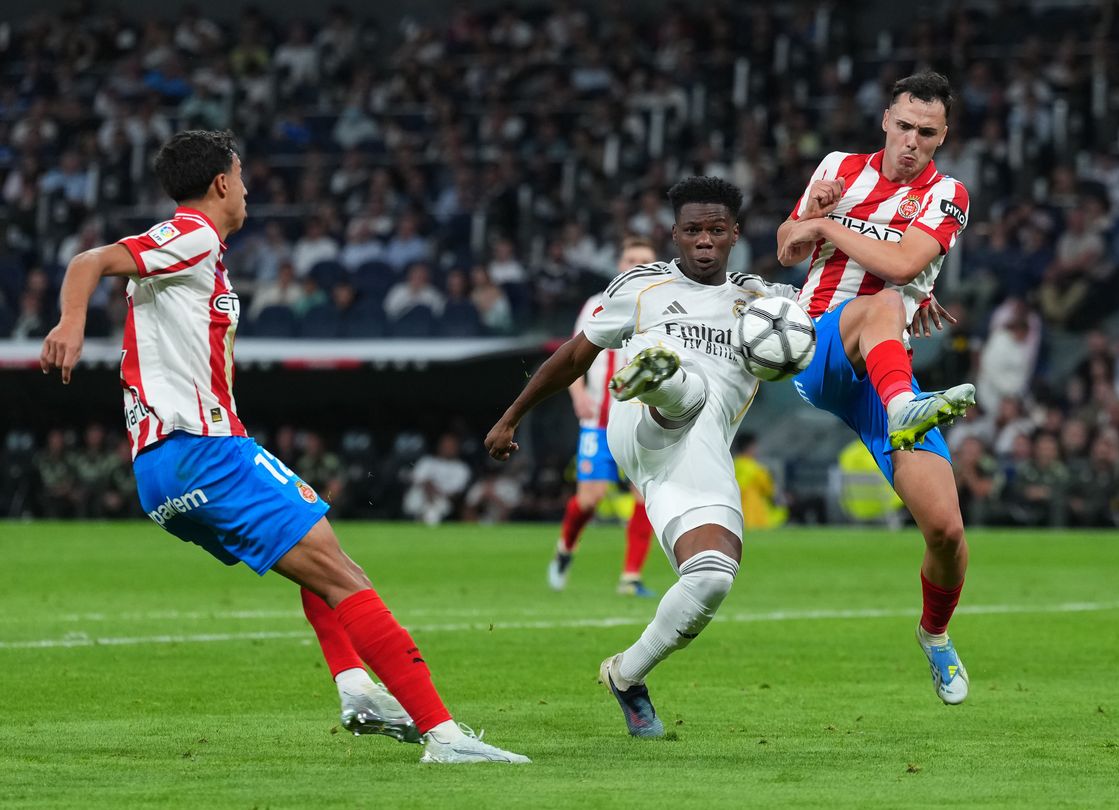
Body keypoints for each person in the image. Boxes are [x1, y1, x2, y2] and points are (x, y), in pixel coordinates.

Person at [39, 130, 527, 765]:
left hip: (163, 469)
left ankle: (357, 689)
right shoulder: (194, 235)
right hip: (202, 450)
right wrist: (71, 322)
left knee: (322, 554)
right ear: (221, 183)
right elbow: (87, 261)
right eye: (240, 176)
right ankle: (442, 734)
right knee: (344, 575)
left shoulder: (190, 254)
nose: (246, 189)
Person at [487, 176, 797, 738]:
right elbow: (574, 355)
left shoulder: (763, 302)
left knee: (712, 580)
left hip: (696, 458)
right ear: (674, 234)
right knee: (690, 387)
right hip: (635, 428)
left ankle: (627, 676)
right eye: (693, 230)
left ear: (735, 235)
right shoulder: (642, 287)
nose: (705, 240)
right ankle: (659, 379)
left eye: (716, 231)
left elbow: (842, 309)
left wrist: (906, 304)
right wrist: (512, 415)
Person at [775, 72, 976, 704]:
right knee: (884, 301)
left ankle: (935, 635)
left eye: (928, 132)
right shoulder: (836, 166)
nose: (913, 142)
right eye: (905, 127)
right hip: (818, 345)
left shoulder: (948, 193)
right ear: (885, 120)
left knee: (946, 530)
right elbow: (784, 249)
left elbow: (902, 263)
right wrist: (813, 214)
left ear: (943, 136)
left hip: (883, 368)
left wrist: (827, 225)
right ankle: (903, 409)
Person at [549, 235, 659, 598]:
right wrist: (577, 392)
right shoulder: (598, 303)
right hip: (599, 418)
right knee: (590, 499)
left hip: (642, 418)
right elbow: (574, 354)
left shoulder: (664, 305)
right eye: (631, 260)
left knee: (644, 495)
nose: (637, 266)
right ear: (620, 265)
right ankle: (566, 546)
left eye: (644, 260)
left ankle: (630, 577)